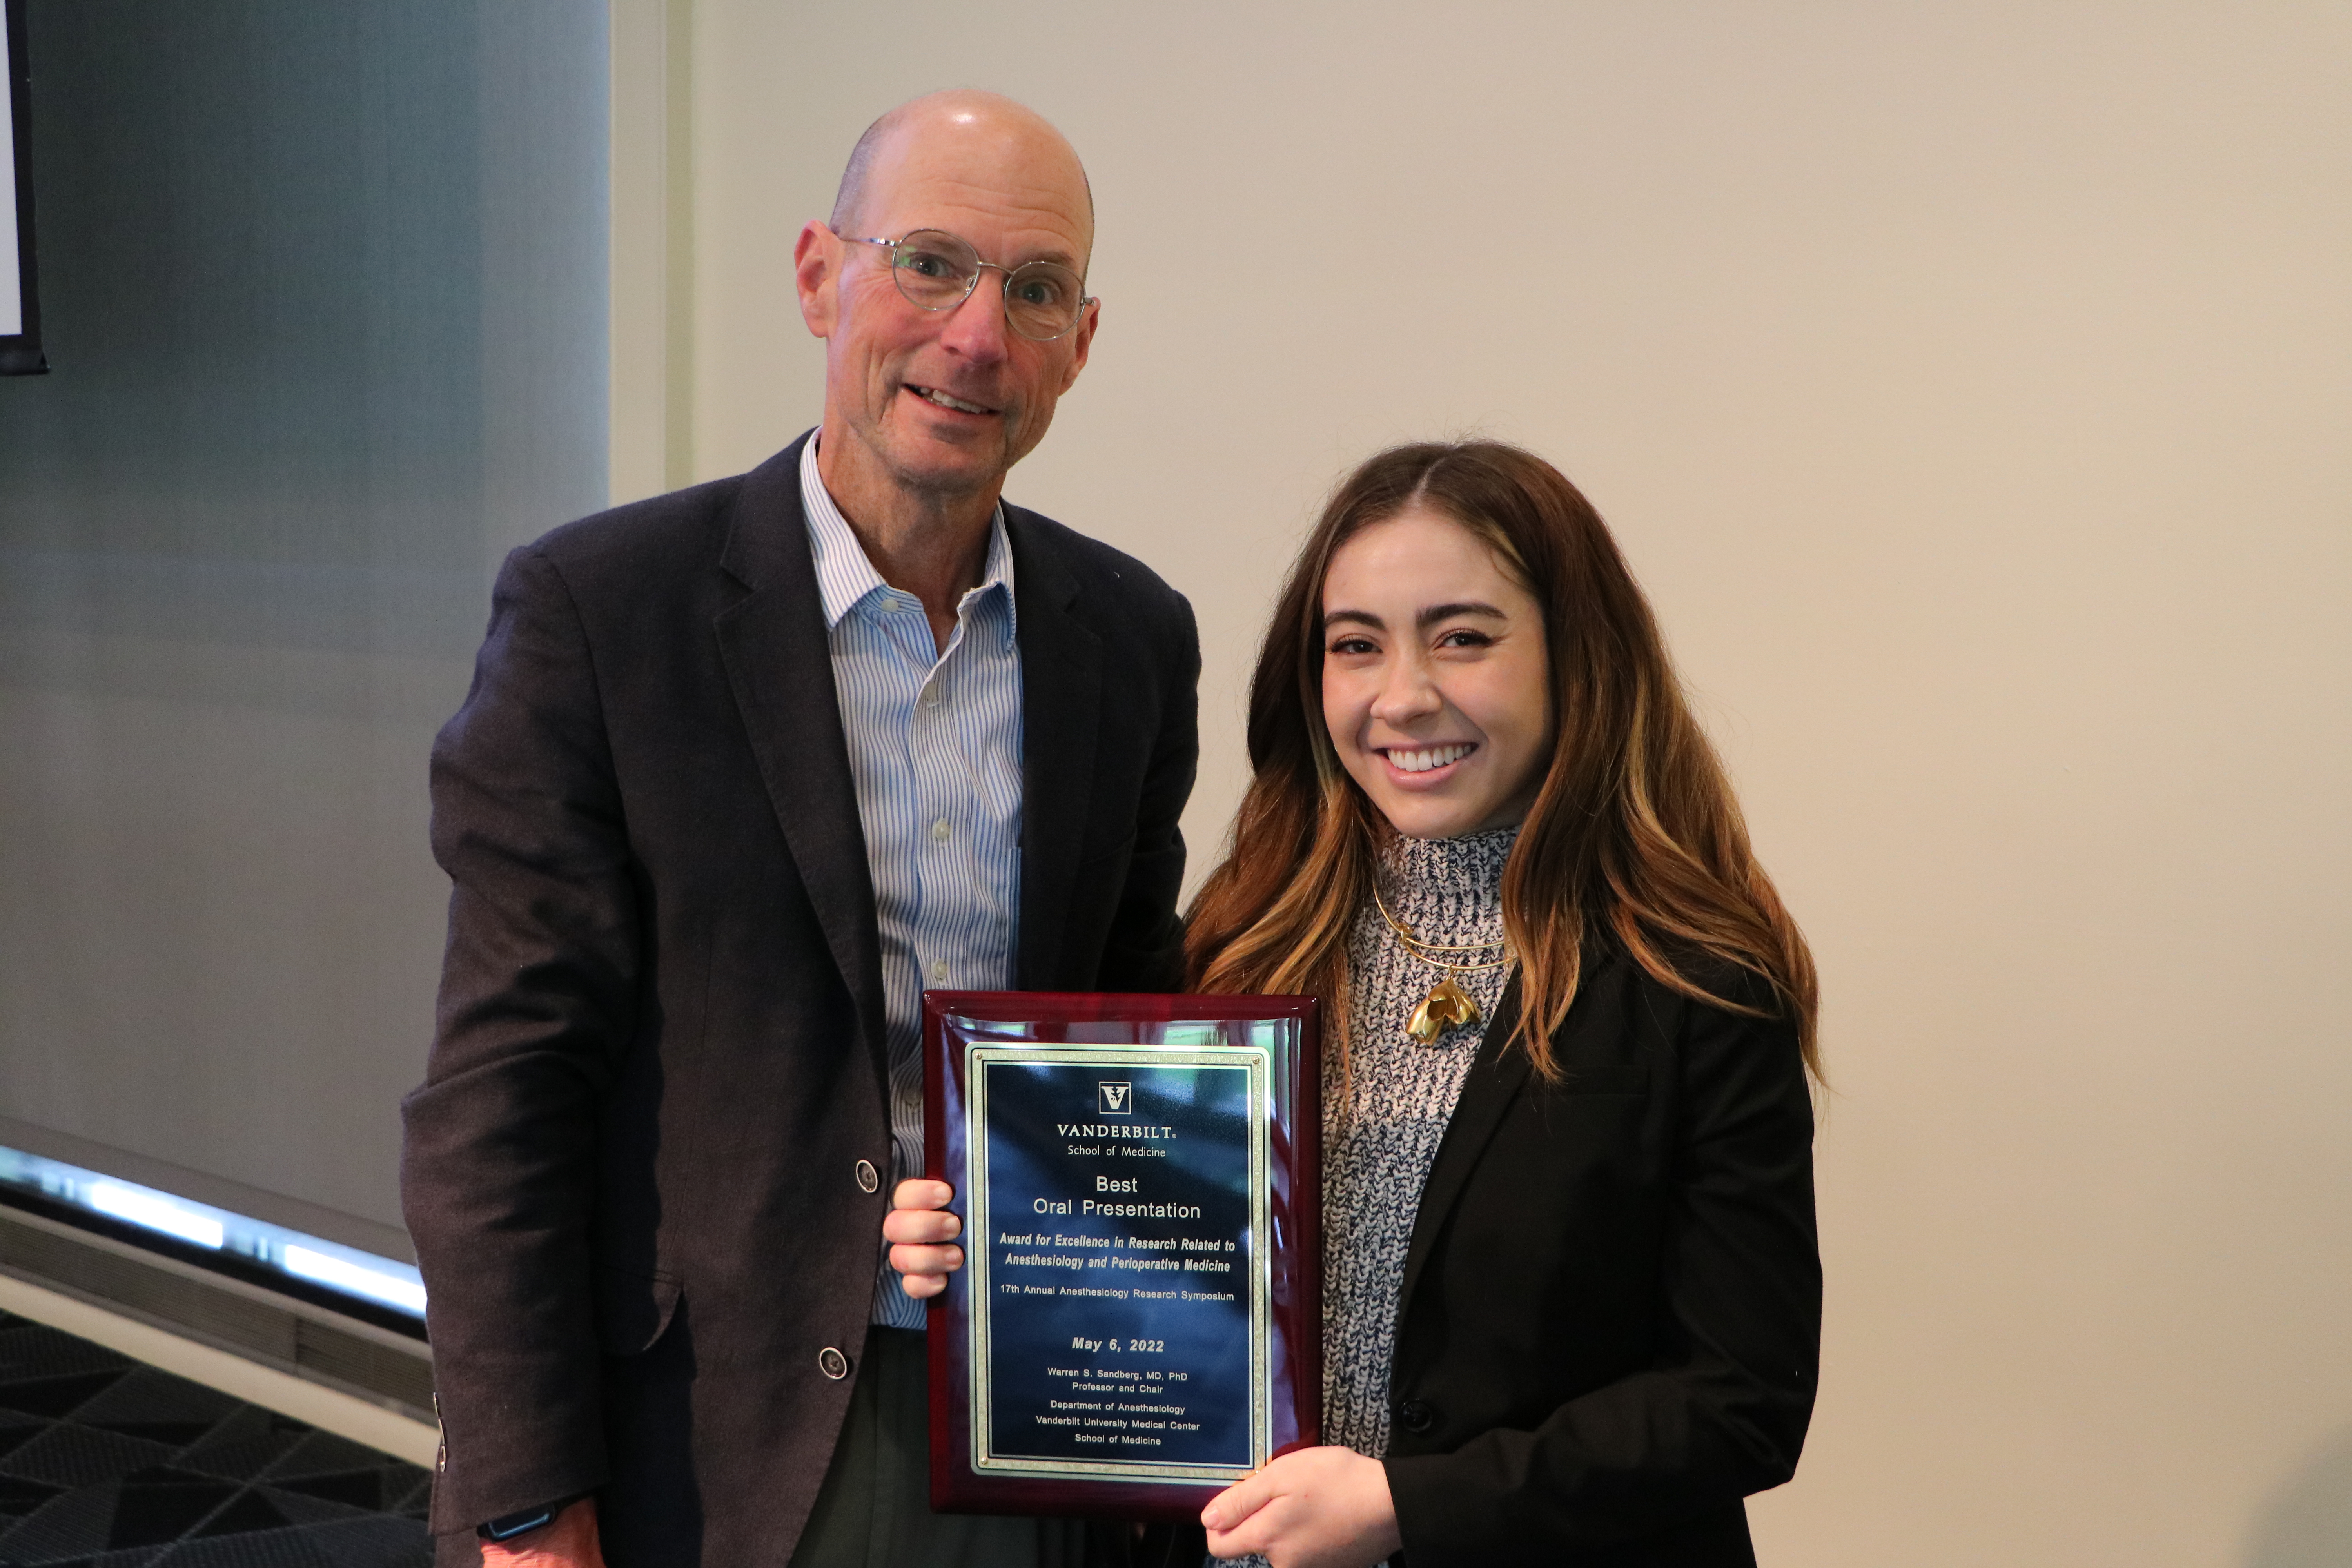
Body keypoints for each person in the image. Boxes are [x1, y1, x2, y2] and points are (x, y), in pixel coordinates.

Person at [401, 91, 1199, 1568]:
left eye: (1034, 292)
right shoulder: (601, 613)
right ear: (820, 276)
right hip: (697, 1437)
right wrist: (521, 1497)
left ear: (1080, 347)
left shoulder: (1130, 640)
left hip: (1028, 1410)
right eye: (930, 263)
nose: (976, 335)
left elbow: (1131, 1042)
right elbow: (500, 1091)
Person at [896, 439, 1821, 1567]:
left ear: (1579, 655)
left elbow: (1739, 1401)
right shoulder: (1242, 940)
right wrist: (986, 1245)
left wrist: (1407, 1508)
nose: (1404, 696)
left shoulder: (1697, 976)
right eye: (1356, 646)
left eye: (1464, 638)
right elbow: (1150, 1284)